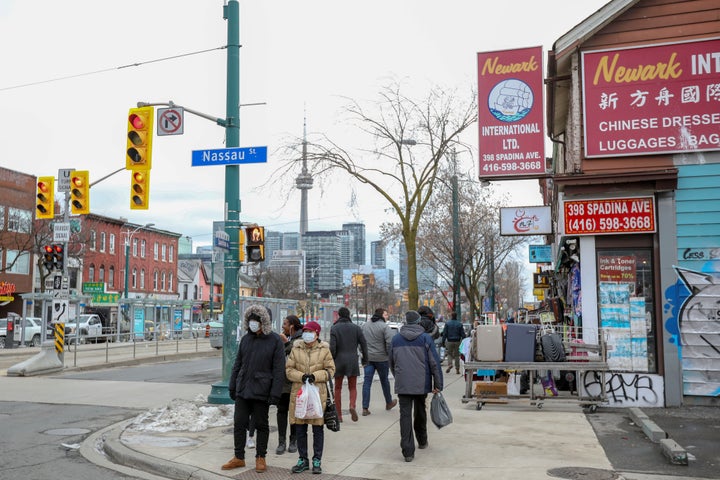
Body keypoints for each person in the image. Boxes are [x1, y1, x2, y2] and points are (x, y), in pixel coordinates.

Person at [223, 305, 286, 473]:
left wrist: (275, 393)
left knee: (261, 425)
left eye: (256, 320)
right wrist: (232, 385)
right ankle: (239, 457)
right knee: (239, 423)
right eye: (250, 320)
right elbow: (237, 364)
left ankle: (260, 457)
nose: (252, 323)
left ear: (264, 322)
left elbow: (279, 370)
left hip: (262, 390)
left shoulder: (275, 341)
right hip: (243, 388)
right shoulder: (245, 339)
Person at [389, 310, 443, 463]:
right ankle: (422, 440)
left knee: (404, 416)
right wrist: (438, 384)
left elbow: (391, 363)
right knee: (420, 411)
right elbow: (434, 363)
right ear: (419, 322)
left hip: (403, 383)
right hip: (421, 383)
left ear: (405, 322)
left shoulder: (396, 339)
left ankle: (407, 451)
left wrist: (399, 375)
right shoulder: (425, 338)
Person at [286, 321, 336, 474]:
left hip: (317, 394)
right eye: (305, 331)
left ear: (317, 334)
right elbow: (289, 370)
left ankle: (317, 460)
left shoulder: (324, 350)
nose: (307, 334)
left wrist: (315, 376)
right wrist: (302, 376)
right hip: (299, 394)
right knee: (300, 429)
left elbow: (330, 370)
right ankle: (303, 459)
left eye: (310, 331)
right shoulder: (296, 348)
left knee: (317, 429)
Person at [329, 307, 368, 422]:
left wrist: (333, 359)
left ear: (339, 316)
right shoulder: (356, 328)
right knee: (352, 387)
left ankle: (339, 415)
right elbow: (364, 345)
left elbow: (332, 347)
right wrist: (365, 359)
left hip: (339, 360)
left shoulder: (334, 328)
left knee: (337, 388)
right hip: (352, 360)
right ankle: (352, 406)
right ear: (349, 315)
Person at [360, 308, 398, 416]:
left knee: (367, 382)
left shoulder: (365, 326)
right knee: (384, 381)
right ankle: (389, 402)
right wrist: (388, 354)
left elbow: (360, 341)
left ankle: (365, 407)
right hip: (382, 359)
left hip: (368, 358)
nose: (387, 316)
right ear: (381, 315)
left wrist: (363, 353)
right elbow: (390, 343)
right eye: (386, 314)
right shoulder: (384, 327)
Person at [276, 314, 304, 455]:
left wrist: (285, 342)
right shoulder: (289, 339)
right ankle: (281, 441)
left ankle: (293, 440)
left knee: (294, 412)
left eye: (285, 324)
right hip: (283, 381)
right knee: (281, 411)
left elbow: (294, 353)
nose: (283, 326)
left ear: (292, 326)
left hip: (295, 382)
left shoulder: (300, 340)